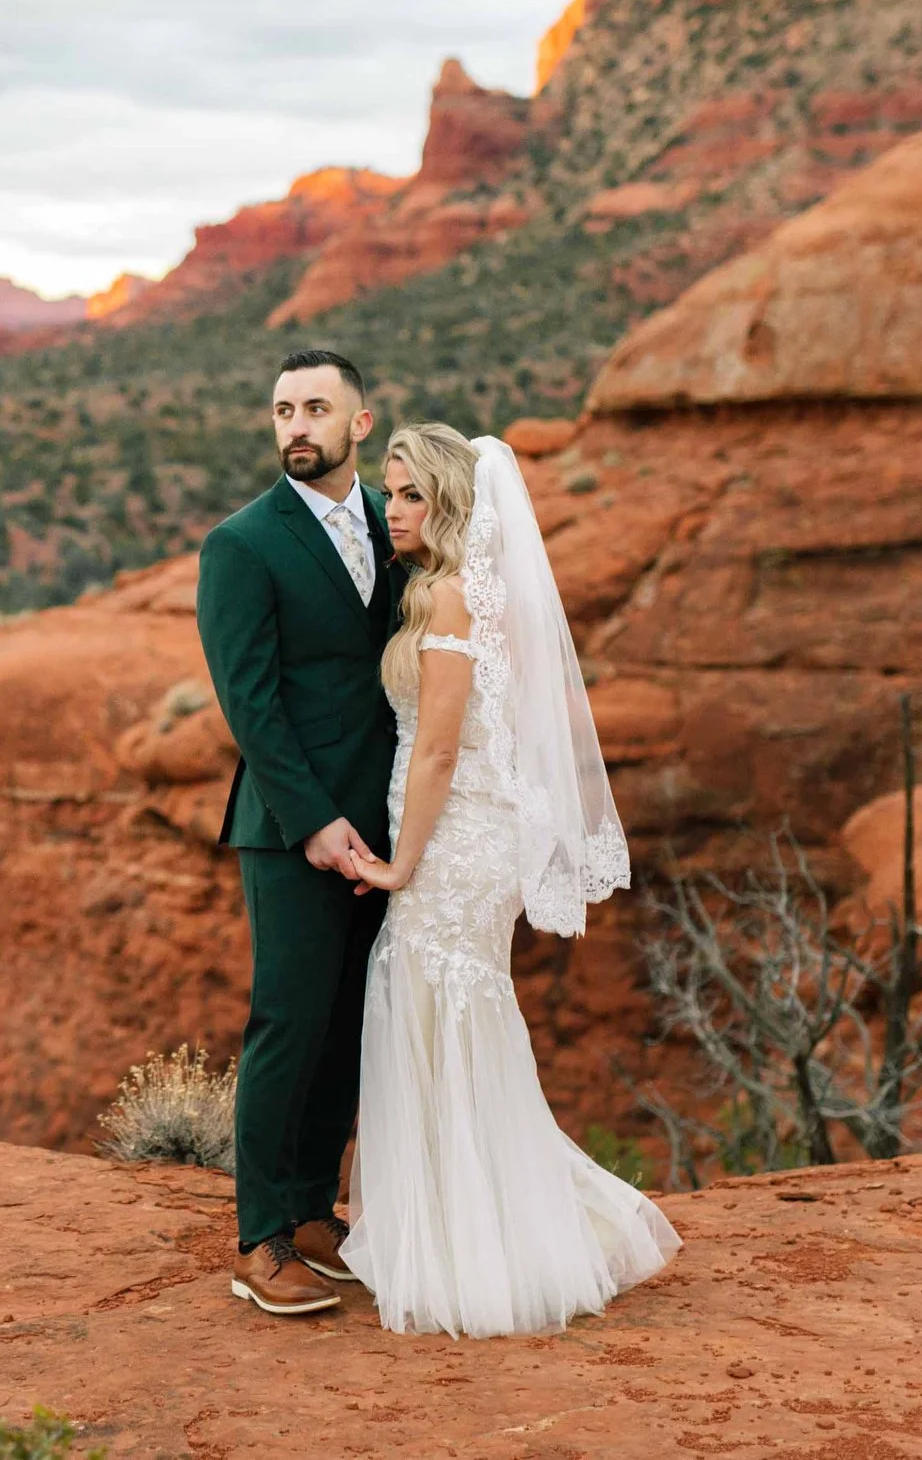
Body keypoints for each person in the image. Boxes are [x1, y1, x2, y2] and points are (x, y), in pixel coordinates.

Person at [338, 422, 679, 1336]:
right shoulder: (459, 592)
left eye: (410, 493)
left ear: (451, 501)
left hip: (453, 841)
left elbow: (442, 748)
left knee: (436, 1007)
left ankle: (472, 1243)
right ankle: (467, 1224)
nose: (393, 508)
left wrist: (401, 862)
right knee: (445, 1013)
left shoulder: (453, 597)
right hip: (463, 833)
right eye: (390, 491)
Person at [194, 347, 397, 1316]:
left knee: (350, 1024)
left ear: (360, 422)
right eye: (281, 411)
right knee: (288, 1019)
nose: (295, 427)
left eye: (316, 408)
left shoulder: (394, 525)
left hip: (387, 827)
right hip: (290, 828)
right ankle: (261, 1238)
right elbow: (251, 702)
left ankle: (315, 1208)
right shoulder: (242, 544)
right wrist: (313, 820)